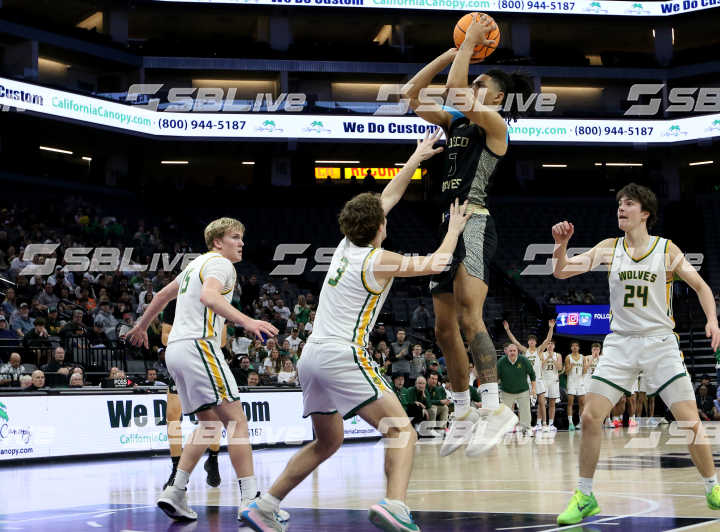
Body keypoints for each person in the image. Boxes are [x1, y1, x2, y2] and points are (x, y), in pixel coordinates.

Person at [241, 131, 469, 532]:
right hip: (343, 353)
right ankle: (395, 504)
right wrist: (454, 227)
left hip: (310, 357)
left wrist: (415, 157)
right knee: (401, 431)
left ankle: (266, 504)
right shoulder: (378, 259)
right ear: (381, 227)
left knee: (327, 442)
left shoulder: (346, 245)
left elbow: (387, 199)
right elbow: (437, 263)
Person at [402, 16, 534, 457]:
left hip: (474, 221)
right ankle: (461, 412)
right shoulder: (455, 124)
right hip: (446, 224)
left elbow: (458, 89)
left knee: (469, 318)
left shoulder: (494, 125)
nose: (471, 87)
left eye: (481, 83)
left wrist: (469, 46)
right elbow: (410, 96)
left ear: (496, 96)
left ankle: (496, 408)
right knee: (443, 328)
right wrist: (452, 49)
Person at [553, 183, 720, 524]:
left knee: (689, 422)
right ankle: (585, 495)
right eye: (619, 203)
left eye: (629, 203)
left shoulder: (665, 249)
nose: (621, 208)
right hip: (620, 342)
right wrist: (561, 247)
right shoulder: (608, 248)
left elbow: (701, 286)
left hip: (659, 342)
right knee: (588, 416)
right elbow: (562, 270)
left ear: (645, 213)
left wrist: (713, 320)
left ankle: (713, 487)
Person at [124, 217, 280, 523]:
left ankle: (175, 490)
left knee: (209, 425)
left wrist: (142, 326)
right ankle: (251, 501)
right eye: (235, 237)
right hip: (199, 346)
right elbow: (209, 297)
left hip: (176, 352)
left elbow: (160, 296)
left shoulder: (193, 267)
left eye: (242, 238)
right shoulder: (221, 265)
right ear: (218, 242)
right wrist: (247, 321)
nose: (241, 243)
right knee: (236, 421)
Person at [503, 320, 555, 432]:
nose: (531, 342)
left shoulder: (539, 350)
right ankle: (524, 425)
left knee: (542, 403)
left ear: (535, 343)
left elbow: (547, 340)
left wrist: (551, 327)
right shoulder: (525, 351)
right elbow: (515, 342)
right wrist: (507, 330)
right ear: (528, 342)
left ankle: (544, 424)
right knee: (524, 405)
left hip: (538, 380)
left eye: (533, 341)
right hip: (526, 380)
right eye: (530, 341)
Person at [497, 343, 536, 435]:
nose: (512, 353)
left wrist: (533, 389)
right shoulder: (501, 362)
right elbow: (496, 377)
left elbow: (532, 374)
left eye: (514, 351)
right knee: (505, 412)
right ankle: (505, 429)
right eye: (510, 351)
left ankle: (526, 428)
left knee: (525, 410)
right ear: (507, 352)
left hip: (523, 390)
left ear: (518, 351)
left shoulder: (524, 360)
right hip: (506, 391)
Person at [541, 341, 563, 431]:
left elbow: (559, 368)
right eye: (548, 344)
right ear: (546, 345)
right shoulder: (542, 354)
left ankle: (551, 424)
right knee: (542, 403)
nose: (550, 345)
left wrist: (552, 358)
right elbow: (540, 366)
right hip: (544, 381)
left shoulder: (558, 355)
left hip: (554, 381)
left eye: (551, 344)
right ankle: (542, 423)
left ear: (554, 346)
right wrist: (548, 357)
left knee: (552, 403)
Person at [564, 341, 587, 431]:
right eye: (573, 346)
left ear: (579, 348)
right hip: (571, 382)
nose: (575, 347)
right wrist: (570, 366)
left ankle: (581, 422)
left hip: (580, 382)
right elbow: (566, 372)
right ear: (571, 348)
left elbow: (584, 371)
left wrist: (585, 367)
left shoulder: (583, 357)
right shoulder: (568, 357)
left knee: (582, 403)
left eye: (576, 346)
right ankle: (570, 423)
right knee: (570, 403)